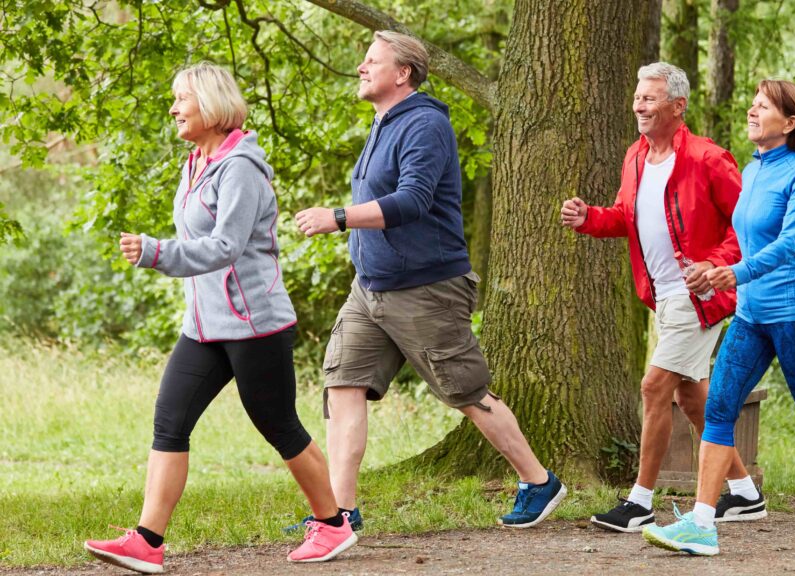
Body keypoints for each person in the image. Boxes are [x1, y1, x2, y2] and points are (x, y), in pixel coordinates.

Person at [84, 63, 356, 574]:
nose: (173, 108)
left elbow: (226, 246)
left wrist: (156, 252)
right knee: (170, 421)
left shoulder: (240, 168)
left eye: (181, 99)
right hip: (204, 326)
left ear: (210, 103)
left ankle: (334, 525)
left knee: (278, 424)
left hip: (255, 324)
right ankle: (147, 540)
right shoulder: (197, 162)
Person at [295, 30, 566, 529]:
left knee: (465, 391)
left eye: (372, 60)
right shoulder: (383, 123)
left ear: (403, 73)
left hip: (425, 288)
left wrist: (338, 216)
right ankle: (339, 514)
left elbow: (413, 200)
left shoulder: (423, 124)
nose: (361, 66)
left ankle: (539, 480)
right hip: (370, 287)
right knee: (343, 385)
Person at [643, 79, 795, 556]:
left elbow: (793, 243)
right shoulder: (753, 170)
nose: (753, 112)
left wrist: (735, 273)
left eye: (764, 107)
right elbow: (743, 238)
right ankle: (701, 524)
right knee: (718, 409)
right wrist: (713, 269)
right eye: (753, 105)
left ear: (791, 123)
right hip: (751, 316)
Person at [560, 62, 765, 534]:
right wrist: (588, 217)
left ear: (678, 106)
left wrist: (716, 267)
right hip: (663, 298)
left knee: (654, 387)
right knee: (693, 400)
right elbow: (625, 217)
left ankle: (640, 501)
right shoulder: (635, 156)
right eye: (637, 97)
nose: (639, 105)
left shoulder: (709, 159)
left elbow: (748, 226)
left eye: (650, 98)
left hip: (701, 298)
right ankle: (746, 495)